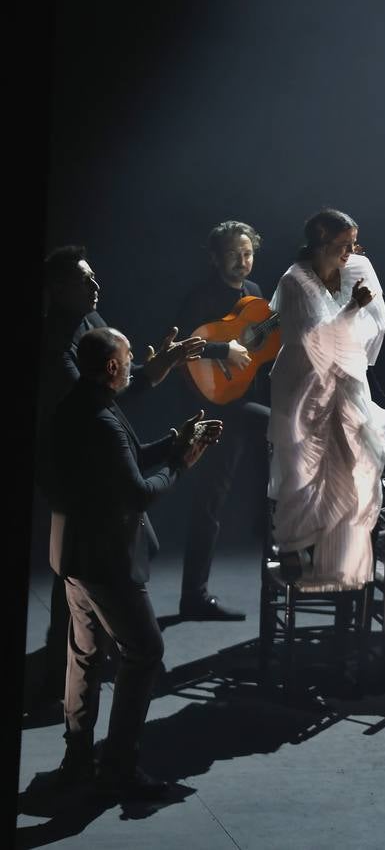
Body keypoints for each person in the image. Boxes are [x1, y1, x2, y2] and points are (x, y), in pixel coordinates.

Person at [48, 326, 222, 798]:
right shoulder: (104, 419)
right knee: (144, 652)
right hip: (107, 559)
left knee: (83, 657)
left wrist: (172, 442)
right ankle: (118, 768)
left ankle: (78, 756)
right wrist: (183, 462)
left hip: (74, 554)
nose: (134, 367)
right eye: (129, 360)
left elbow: (123, 462)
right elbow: (138, 493)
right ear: (111, 367)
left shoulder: (80, 405)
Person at [33, 245, 205, 702]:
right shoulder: (54, 345)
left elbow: (111, 383)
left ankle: (92, 661)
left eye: (94, 277)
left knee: (87, 576)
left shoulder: (91, 321)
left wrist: (154, 368)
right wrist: (178, 458)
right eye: (84, 280)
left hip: (97, 450)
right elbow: (93, 402)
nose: (96, 285)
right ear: (56, 289)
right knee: (78, 573)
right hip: (70, 469)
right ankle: (61, 673)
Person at [267, 208, 385, 585]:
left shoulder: (357, 268)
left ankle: (336, 549)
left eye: (354, 243)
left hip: (344, 382)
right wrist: (353, 307)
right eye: (343, 245)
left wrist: (360, 311)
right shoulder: (295, 283)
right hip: (302, 386)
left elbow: (376, 325)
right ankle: (291, 546)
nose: (350, 251)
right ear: (319, 245)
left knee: (352, 464)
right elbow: (315, 342)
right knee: (302, 471)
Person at [174, 220, 270, 620]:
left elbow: (259, 346)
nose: (242, 262)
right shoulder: (200, 298)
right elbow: (180, 349)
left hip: (239, 400)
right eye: (233, 254)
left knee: (280, 434)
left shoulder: (256, 296)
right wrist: (222, 350)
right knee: (210, 500)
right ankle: (193, 597)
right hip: (210, 406)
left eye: (247, 254)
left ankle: (278, 538)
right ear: (215, 258)